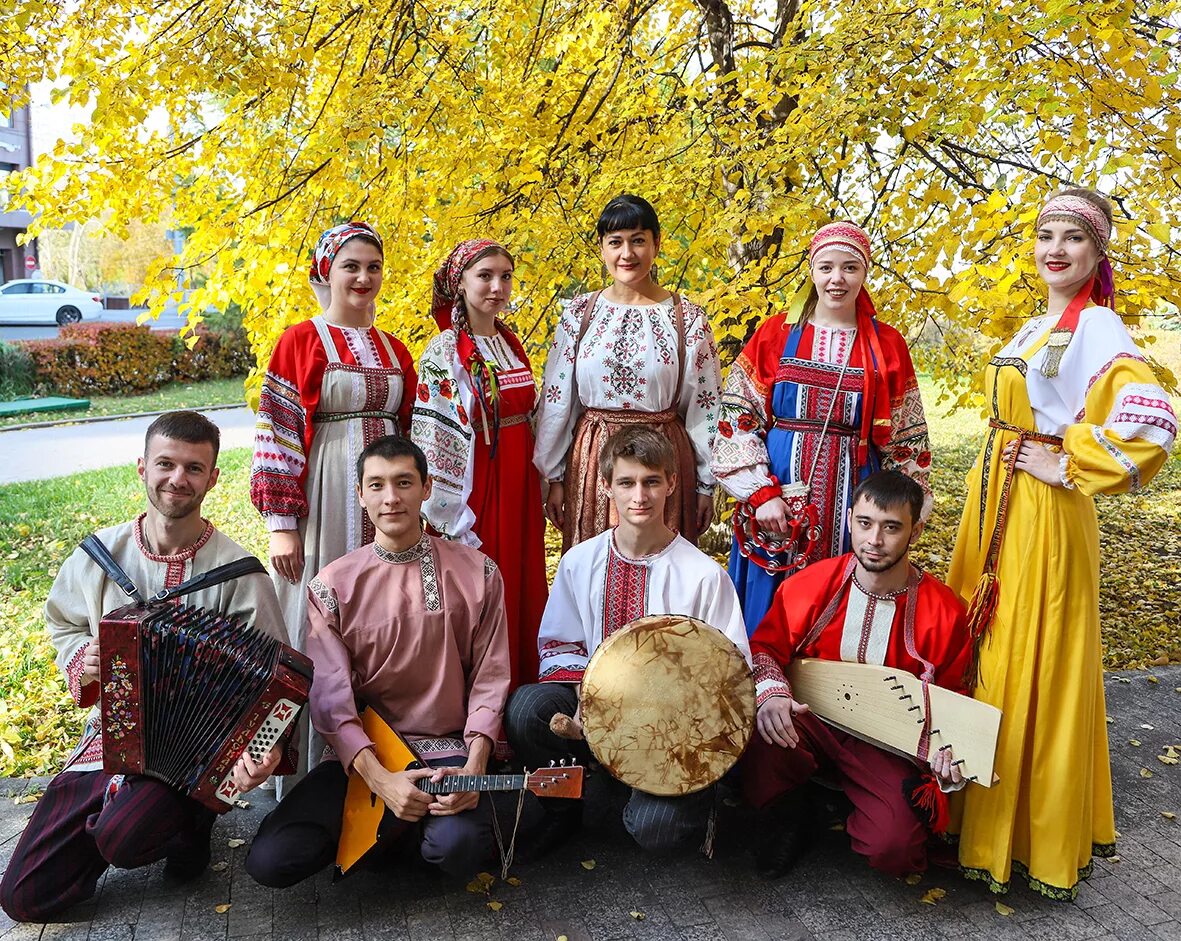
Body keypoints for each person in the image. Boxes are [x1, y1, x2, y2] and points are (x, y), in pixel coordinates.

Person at [946, 188, 1177, 900]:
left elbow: (1151, 419)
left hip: (1043, 509)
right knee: (989, 646)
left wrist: (1069, 461)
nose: (1055, 248)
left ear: (1096, 252)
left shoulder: (1099, 325)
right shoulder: (1031, 326)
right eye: (1045, 234)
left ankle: (1024, 835)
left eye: (1072, 238)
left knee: (1029, 648)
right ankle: (973, 815)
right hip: (994, 503)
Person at [0, 412, 288, 923]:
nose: (178, 479)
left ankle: (187, 821)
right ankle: (126, 811)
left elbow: (274, 676)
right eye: (166, 464)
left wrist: (262, 750)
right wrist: (82, 658)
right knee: (24, 897)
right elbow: (64, 624)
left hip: (193, 757)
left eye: (194, 468)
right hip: (107, 738)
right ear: (142, 467)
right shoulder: (97, 555)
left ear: (214, 477)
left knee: (122, 839)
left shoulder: (240, 573)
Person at [245, 435, 532, 887]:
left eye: (403, 482)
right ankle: (395, 831)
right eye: (376, 485)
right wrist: (380, 780)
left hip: (449, 754)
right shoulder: (332, 586)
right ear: (360, 494)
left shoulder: (479, 572)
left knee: (455, 850)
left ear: (426, 487)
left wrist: (475, 768)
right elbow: (331, 700)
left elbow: (491, 678)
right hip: (368, 755)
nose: (391, 498)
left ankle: (403, 836)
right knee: (271, 862)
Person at [506, 427, 750, 856]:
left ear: (671, 484)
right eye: (627, 482)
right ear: (606, 487)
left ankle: (643, 797)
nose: (640, 495)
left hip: (674, 727)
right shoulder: (579, 563)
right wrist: (590, 701)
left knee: (655, 833)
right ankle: (564, 806)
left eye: (652, 482)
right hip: (591, 706)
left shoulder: (704, 576)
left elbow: (730, 673)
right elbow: (559, 644)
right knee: (528, 710)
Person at [250, 221, 416, 788]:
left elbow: (412, 429)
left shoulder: (397, 349)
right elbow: (278, 429)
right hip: (327, 494)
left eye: (373, 267)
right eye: (351, 266)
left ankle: (383, 759)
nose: (364, 277)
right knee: (315, 616)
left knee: (385, 615)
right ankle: (304, 775)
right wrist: (282, 523)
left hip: (389, 497)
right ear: (326, 271)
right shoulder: (302, 339)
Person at [743, 470, 971, 880]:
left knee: (896, 851)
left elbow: (956, 699)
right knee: (764, 726)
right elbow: (764, 649)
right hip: (811, 721)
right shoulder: (810, 585)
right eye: (864, 524)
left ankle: (852, 803)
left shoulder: (945, 612)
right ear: (849, 520)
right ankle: (790, 808)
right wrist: (773, 693)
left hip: (885, 744)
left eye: (891, 528)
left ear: (916, 531)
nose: (874, 540)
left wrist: (946, 755)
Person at [711, 221, 933, 634]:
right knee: (771, 597)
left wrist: (901, 510)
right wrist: (761, 494)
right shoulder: (776, 334)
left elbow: (906, 436)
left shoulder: (887, 344)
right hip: (779, 496)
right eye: (826, 267)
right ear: (811, 272)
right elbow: (735, 418)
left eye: (850, 267)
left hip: (855, 500)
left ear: (864, 273)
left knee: (842, 598)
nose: (837, 279)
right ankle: (765, 685)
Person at [534, 194, 723, 552]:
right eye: (615, 242)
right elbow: (558, 400)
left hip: (663, 462)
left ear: (656, 243)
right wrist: (553, 477)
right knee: (596, 568)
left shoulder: (687, 318)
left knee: (661, 568)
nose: (627, 254)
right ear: (602, 248)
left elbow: (705, 406)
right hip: (595, 461)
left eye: (638, 240)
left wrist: (704, 484)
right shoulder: (579, 314)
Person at [411, 238, 547, 689]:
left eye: (505, 276)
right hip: (480, 486)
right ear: (460, 283)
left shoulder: (510, 343)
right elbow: (435, 436)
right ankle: (482, 707)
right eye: (484, 276)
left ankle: (522, 698)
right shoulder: (444, 352)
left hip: (519, 483)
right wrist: (452, 514)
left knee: (521, 586)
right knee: (484, 587)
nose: (497, 287)